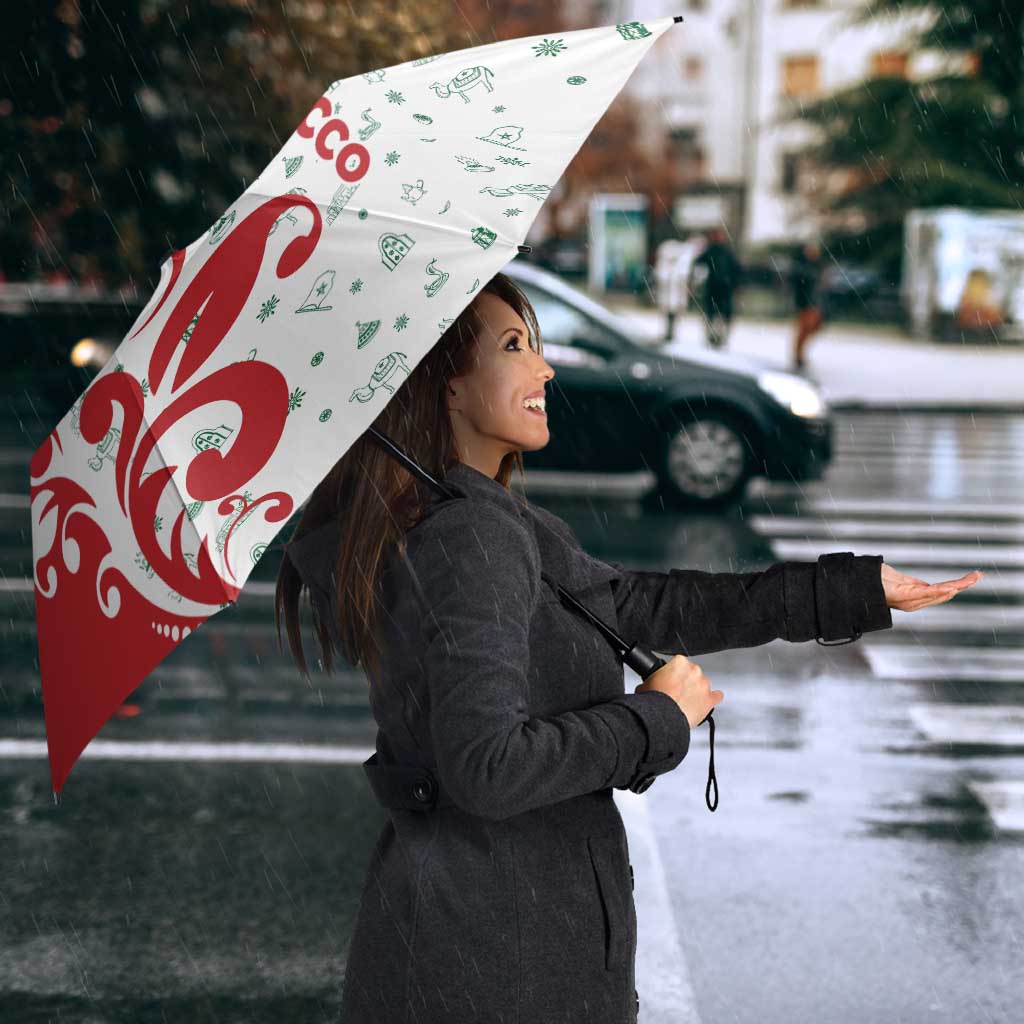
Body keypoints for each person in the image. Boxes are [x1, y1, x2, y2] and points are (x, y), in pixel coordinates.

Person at [275, 271, 969, 1024]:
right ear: (444, 385)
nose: (543, 367)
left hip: (475, 943)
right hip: (500, 962)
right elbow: (488, 768)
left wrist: (849, 591)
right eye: (514, 346)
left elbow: (637, 605)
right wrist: (657, 719)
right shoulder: (468, 537)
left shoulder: (471, 517)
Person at [692, 226, 742, 349]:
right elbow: (698, 264)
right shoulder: (712, 251)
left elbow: (736, 270)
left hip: (723, 288)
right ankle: (713, 337)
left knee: (720, 315)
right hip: (715, 288)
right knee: (713, 314)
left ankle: (719, 337)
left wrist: (735, 284)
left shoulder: (725, 252)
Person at [790, 239, 826, 370]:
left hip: (814, 303)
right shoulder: (802, 267)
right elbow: (799, 286)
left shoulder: (817, 266)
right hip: (805, 303)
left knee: (812, 328)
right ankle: (798, 355)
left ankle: (799, 354)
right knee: (804, 329)